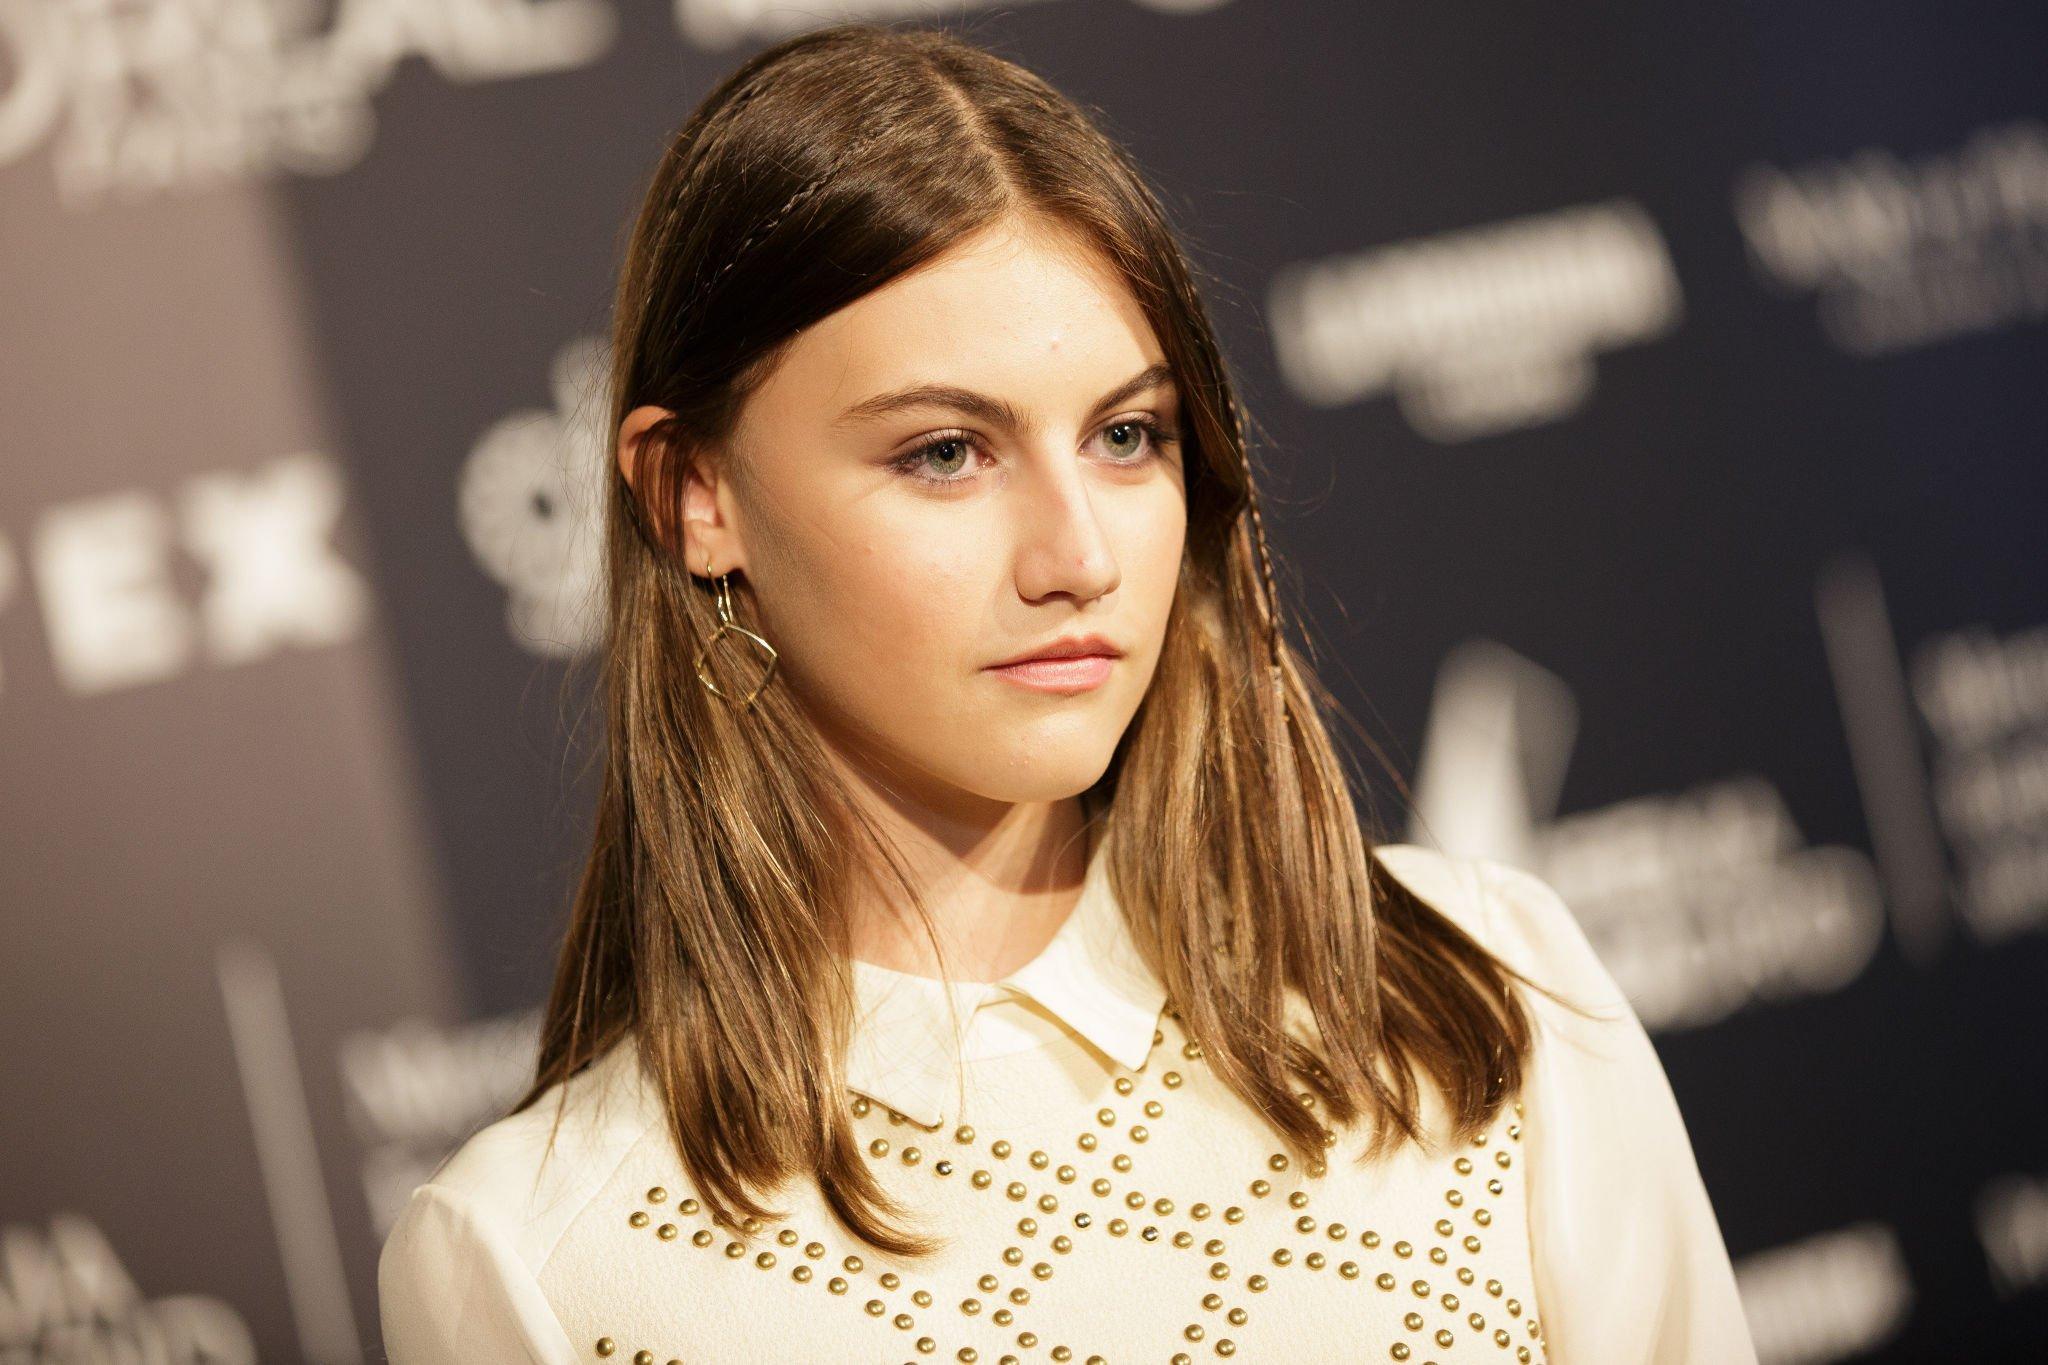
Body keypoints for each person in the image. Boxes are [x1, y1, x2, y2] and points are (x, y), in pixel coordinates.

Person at [379, 20, 1756, 1364]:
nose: (1079, 557)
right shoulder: (536, 1263)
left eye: (1127, 435)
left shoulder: (1483, 990)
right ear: (696, 496)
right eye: (944, 452)